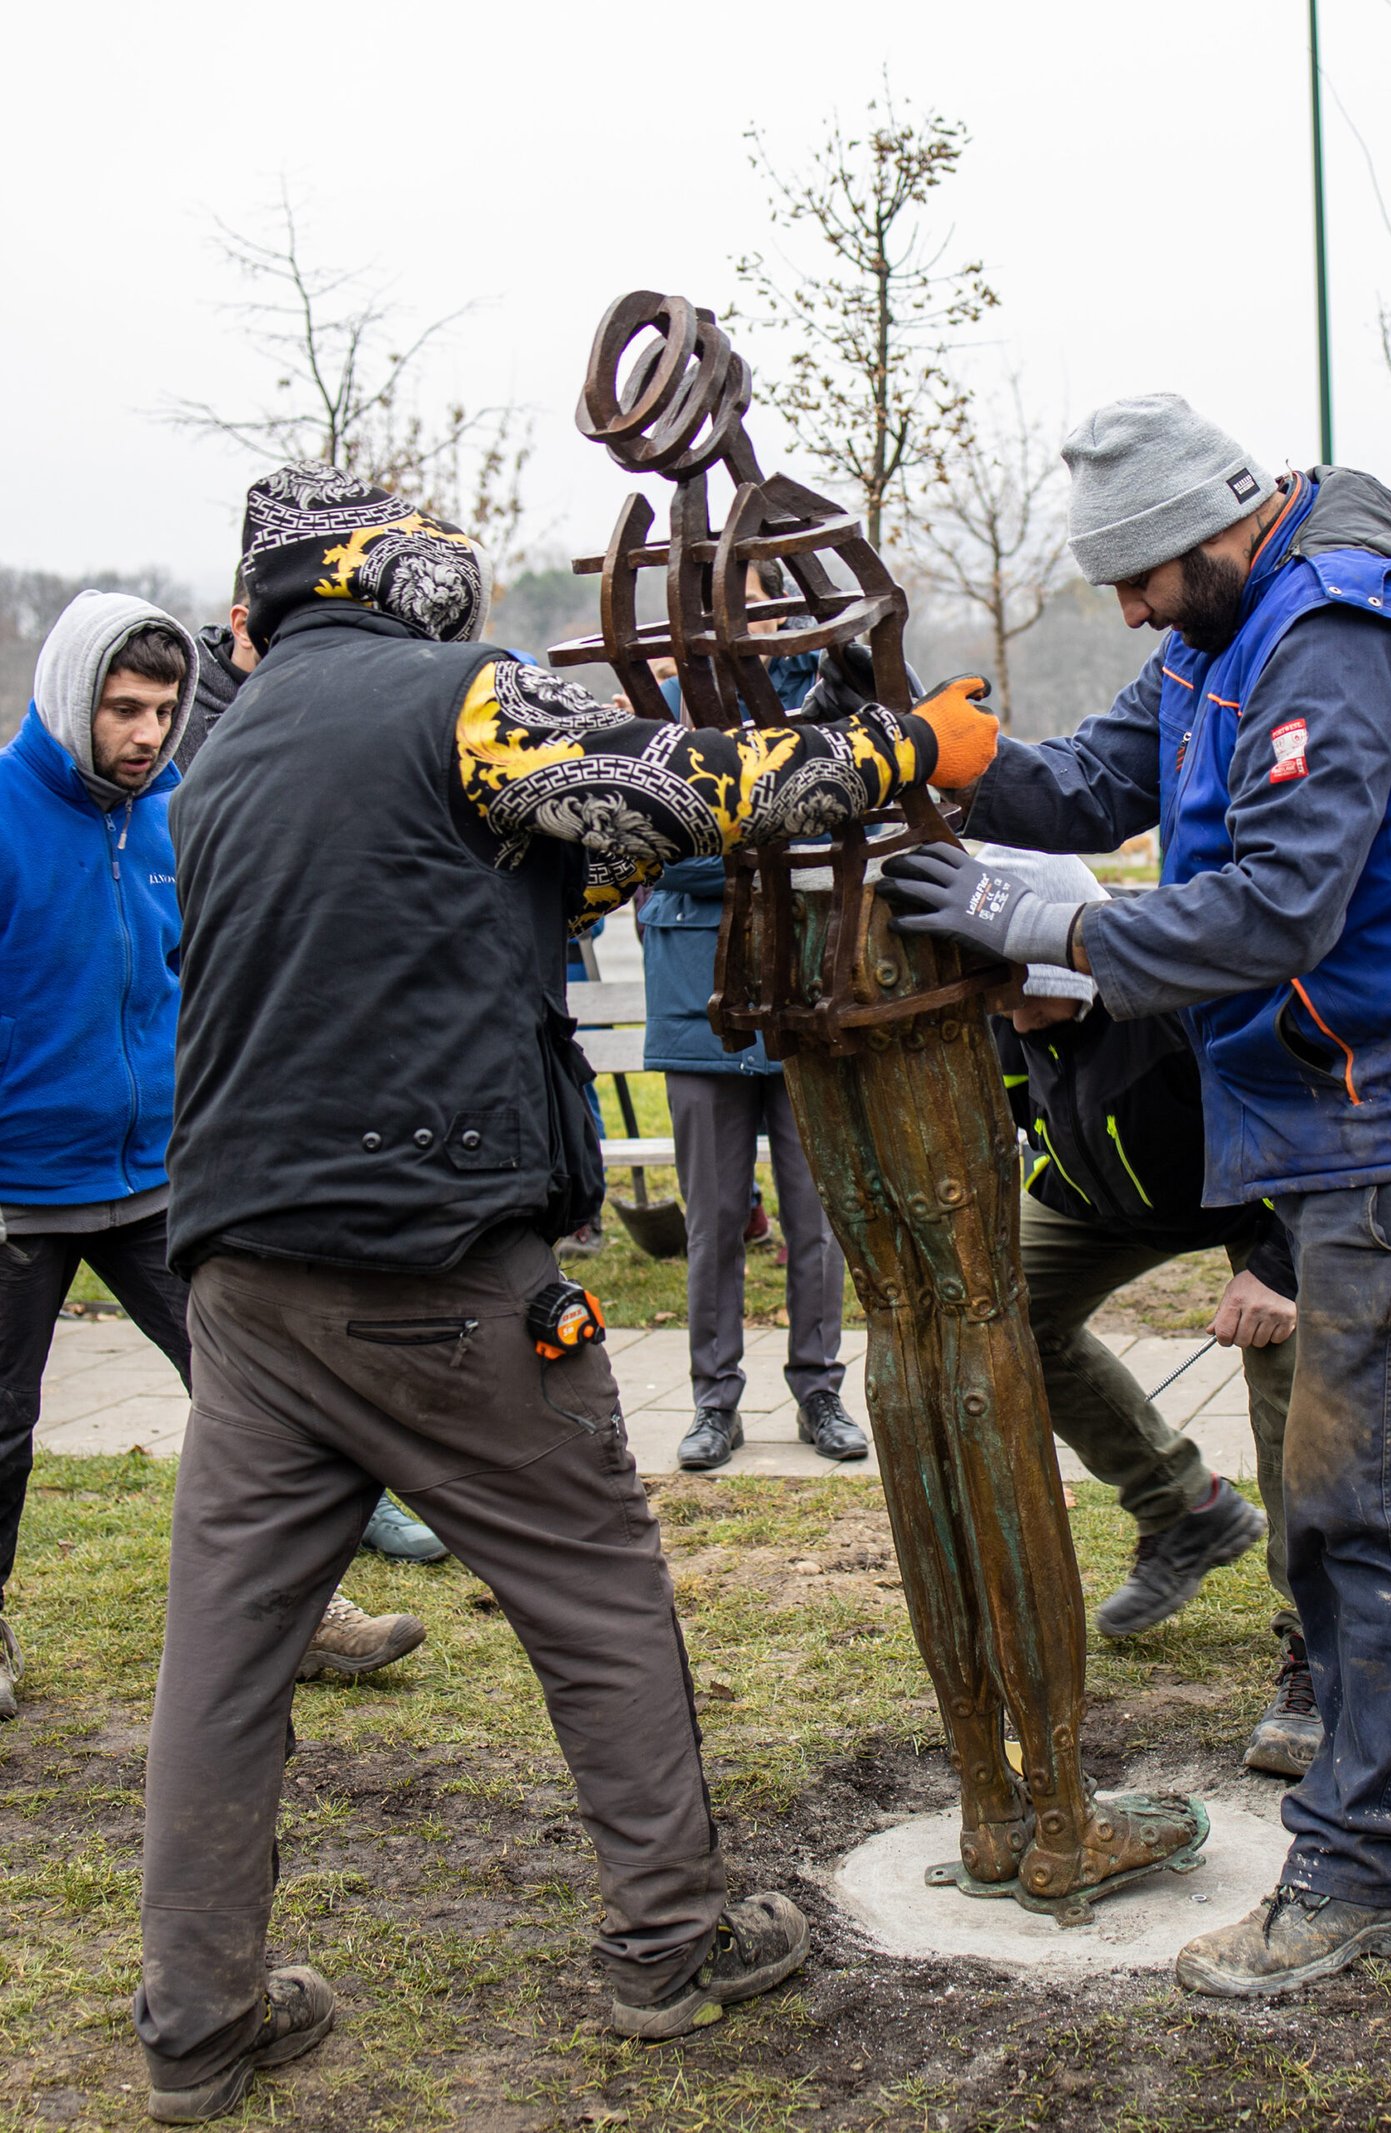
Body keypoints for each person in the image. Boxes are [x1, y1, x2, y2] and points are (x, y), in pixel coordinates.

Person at [132, 464, 996, 2119]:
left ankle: (195, 2023)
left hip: (242, 1279)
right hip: (439, 1267)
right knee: (596, 1596)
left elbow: (495, 879)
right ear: (402, 576)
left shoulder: (220, 754)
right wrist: (901, 748)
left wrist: (746, 765)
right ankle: (671, 1943)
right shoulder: (460, 698)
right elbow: (684, 786)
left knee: (221, 1669)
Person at [881, 397, 1391, 1999]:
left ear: (1218, 527)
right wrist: (954, 762)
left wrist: (1046, 928)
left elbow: (1276, 908)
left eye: (1140, 579)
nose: (1132, 612)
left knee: (1358, 1496)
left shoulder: (1329, 637)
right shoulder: (1226, 622)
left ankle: (1364, 1867)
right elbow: (1095, 783)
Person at [0, 594, 425, 1728]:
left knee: (266, 1404)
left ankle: (297, 1615)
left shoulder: (176, 815)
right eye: (122, 709)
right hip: (17, 1195)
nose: (147, 733)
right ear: (68, 699)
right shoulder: (3, 815)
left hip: (159, 1185)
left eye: (164, 708)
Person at [982, 842, 1317, 1773]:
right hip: (1102, 1195)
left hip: (1262, 1193)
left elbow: (1312, 1120)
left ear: (1066, 959)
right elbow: (1014, 1109)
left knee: (1297, 1389)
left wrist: (1281, 1269)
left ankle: (1320, 1644)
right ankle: (1184, 1509)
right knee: (997, 1315)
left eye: (1016, 984)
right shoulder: (1008, 1008)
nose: (1004, 1009)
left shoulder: (1182, 994)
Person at [175, 577, 448, 1566]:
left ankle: (328, 1541)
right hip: (228, 1117)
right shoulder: (210, 747)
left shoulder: (305, 713)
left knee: (256, 1377)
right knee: (247, 1378)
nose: (145, 730)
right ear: (244, 626)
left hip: (277, 1109)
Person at [641, 561, 865, 1470]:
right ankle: (713, 1403)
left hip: (805, 993)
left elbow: (847, 823)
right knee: (715, 1222)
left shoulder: (825, 698)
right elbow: (658, 848)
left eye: (757, 596)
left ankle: (820, 1390)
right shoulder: (660, 707)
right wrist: (777, 833)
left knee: (817, 1219)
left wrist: (731, 833)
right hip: (695, 1002)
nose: (738, 614)